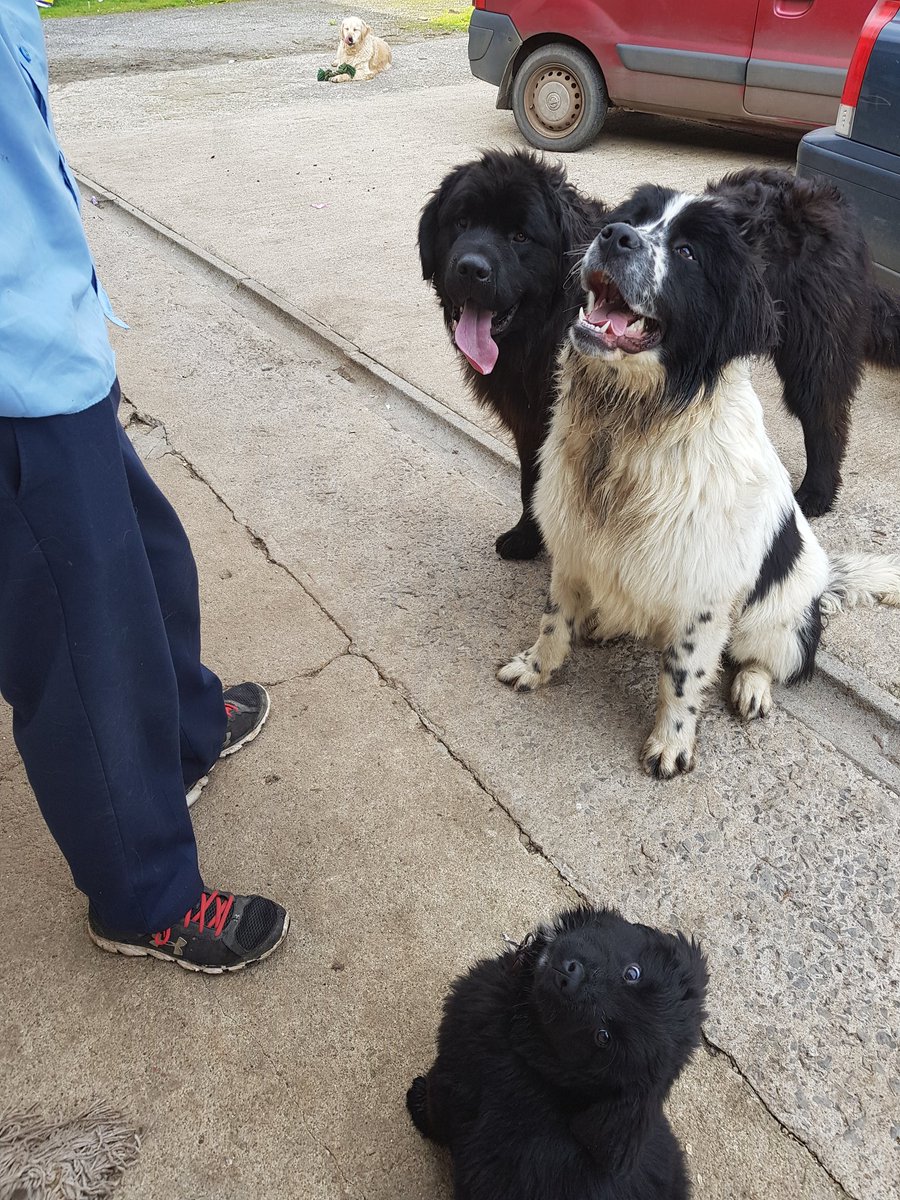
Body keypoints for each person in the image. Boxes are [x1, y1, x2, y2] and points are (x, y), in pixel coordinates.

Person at [0, 0, 289, 973]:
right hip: (10, 378)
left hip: (50, 326)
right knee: (85, 654)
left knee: (150, 563)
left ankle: (182, 730)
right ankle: (145, 898)